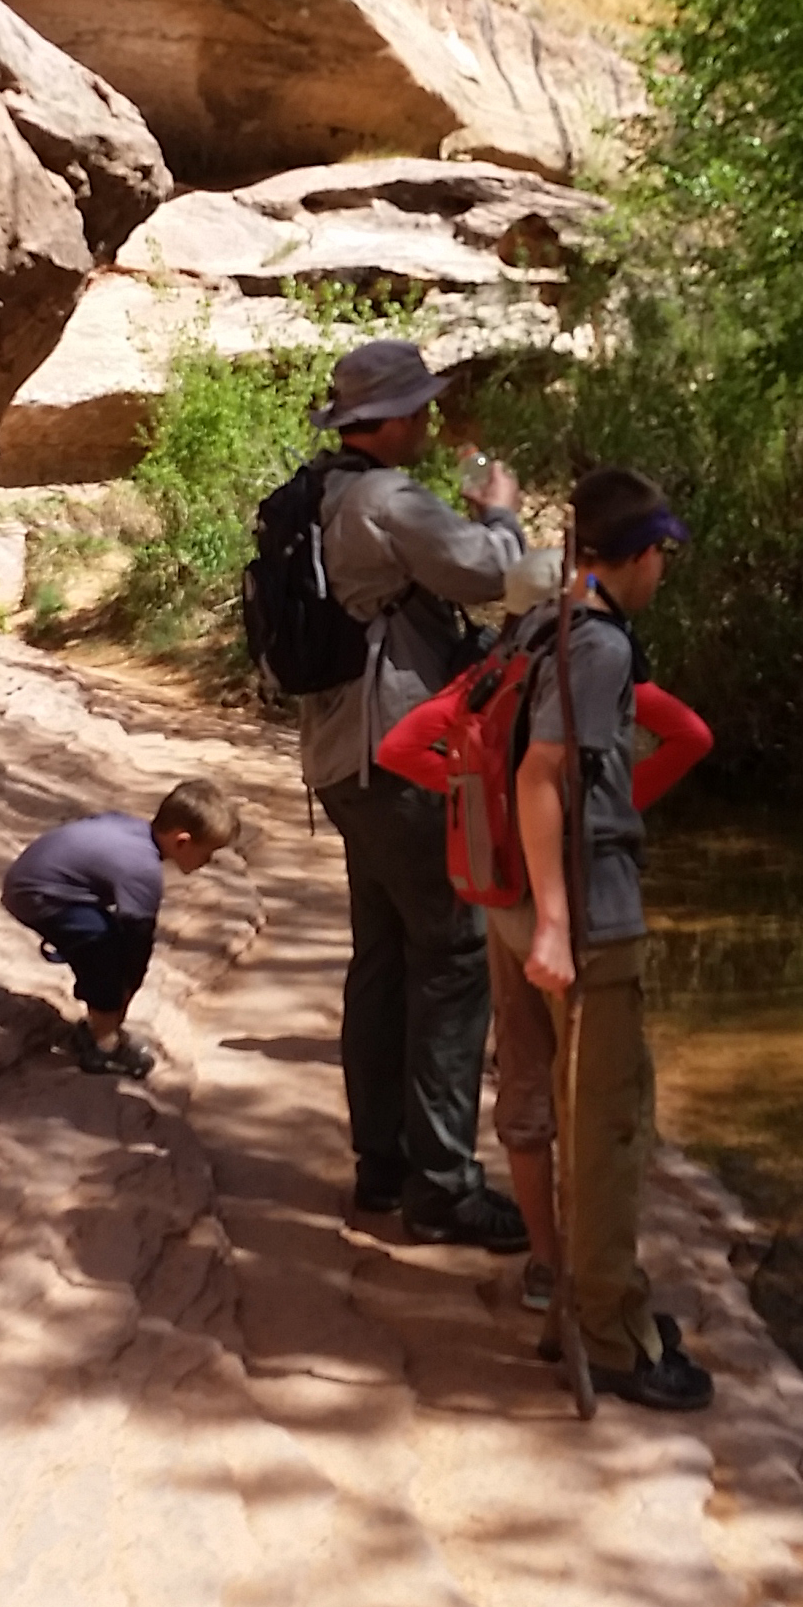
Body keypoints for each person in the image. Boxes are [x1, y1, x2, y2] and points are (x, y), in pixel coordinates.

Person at [300, 337, 559, 1248]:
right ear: (397, 418)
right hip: (400, 758)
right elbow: (499, 580)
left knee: (382, 960)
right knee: (449, 956)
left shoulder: (325, 491)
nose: (429, 424)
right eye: (422, 411)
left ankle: (385, 1168)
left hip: (342, 760)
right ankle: (442, 1187)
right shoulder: (385, 497)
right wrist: (504, 517)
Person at [377, 654, 711, 1316]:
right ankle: (596, 1286)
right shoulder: (592, 666)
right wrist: (622, 803)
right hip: (573, 901)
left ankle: (545, 1263)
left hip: (505, 900)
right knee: (598, 1097)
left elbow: (397, 746)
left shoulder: (488, 677)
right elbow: (692, 737)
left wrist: (477, 798)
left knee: (527, 1080)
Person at [516, 466, 716, 1411]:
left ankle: (592, 1306)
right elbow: (542, 775)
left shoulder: (538, 622)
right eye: (661, 557)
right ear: (640, 556)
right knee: (608, 1131)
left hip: (521, 901)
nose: (661, 574)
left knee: (569, 1116)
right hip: (587, 920)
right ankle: (614, 1336)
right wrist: (558, 922)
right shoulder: (596, 645)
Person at [0, 776, 241, 1077]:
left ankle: (98, 1020)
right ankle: (103, 1046)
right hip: (37, 896)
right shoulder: (143, 870)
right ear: (183, 841)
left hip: (32, 882)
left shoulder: (133, 830)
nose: (208, 861)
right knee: (106, 955)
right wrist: (121, 994)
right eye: (208, 853)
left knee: (106, 943)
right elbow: (138, 946)